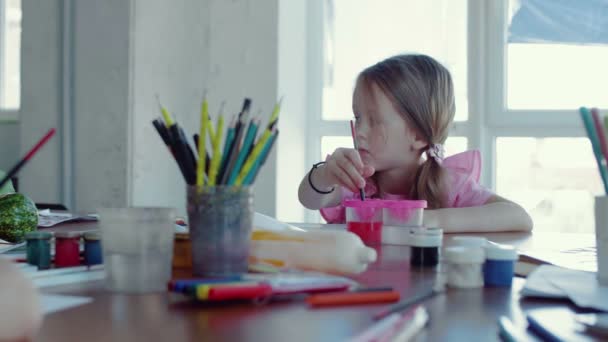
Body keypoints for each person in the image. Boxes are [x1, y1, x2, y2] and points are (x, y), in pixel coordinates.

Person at [298, 54, 532, 232]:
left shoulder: (448, 184)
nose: (359, 131)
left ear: (419, 134)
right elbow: (308, 198)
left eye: (375, 120)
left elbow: (519, 217)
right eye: (358, 118)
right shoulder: (357, 179)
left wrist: (428, 219)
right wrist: (325, 175)